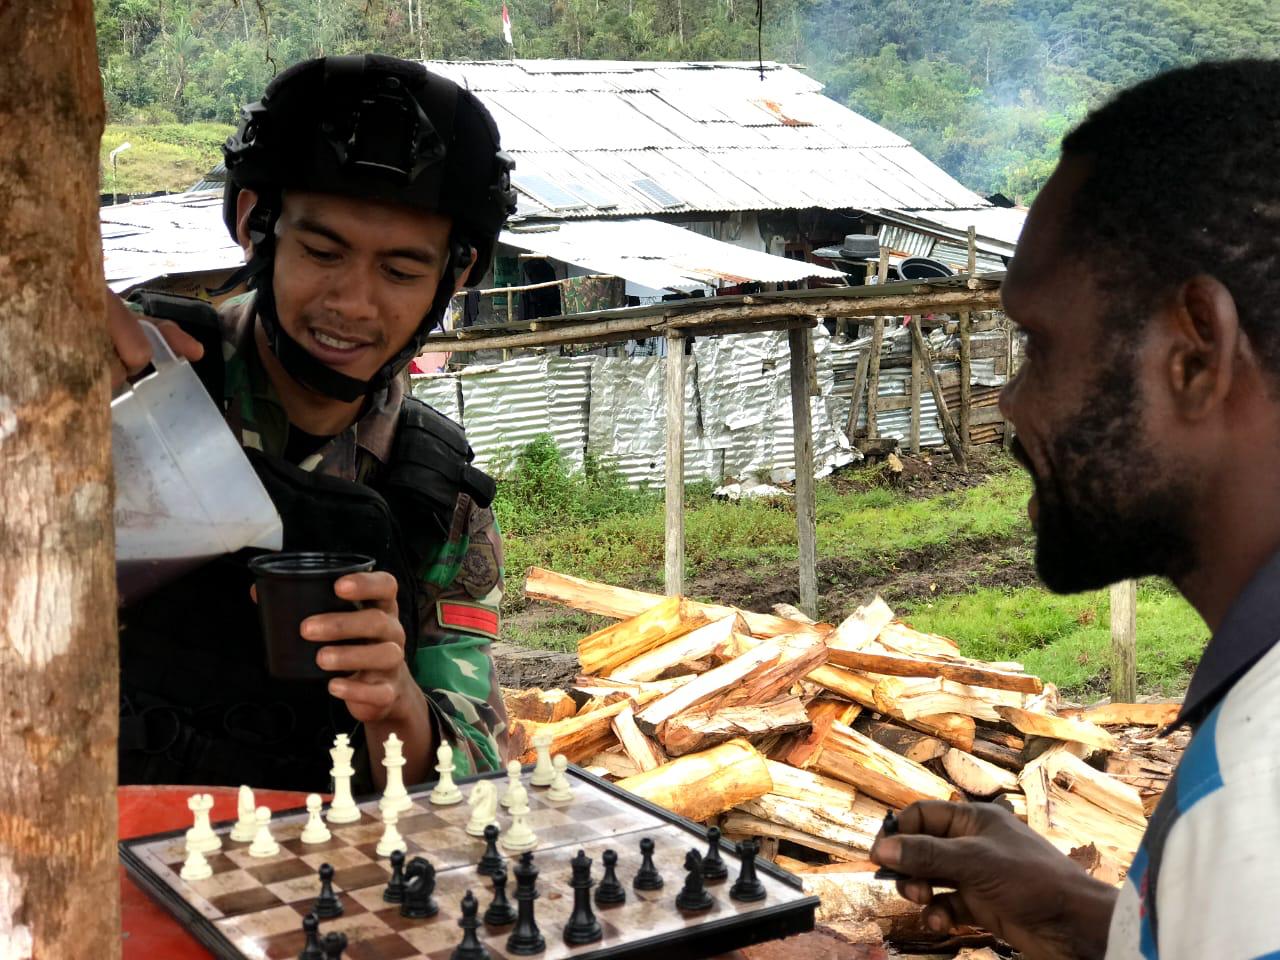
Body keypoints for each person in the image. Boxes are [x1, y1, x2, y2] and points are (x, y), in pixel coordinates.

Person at [870, 59, 1280, 959]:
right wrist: (1090, 920)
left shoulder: (1262, 801)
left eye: (1039, 343)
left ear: (1195, 356)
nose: (1011, 401)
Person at [109, 54, 517, 793]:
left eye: (399, 271)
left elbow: (477, 769)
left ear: (453, 277)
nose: (355, 304)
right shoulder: (130, 381)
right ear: (253, 225)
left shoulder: (437, 502)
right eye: (323, 252)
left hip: (303, 882)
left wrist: (397, 705)